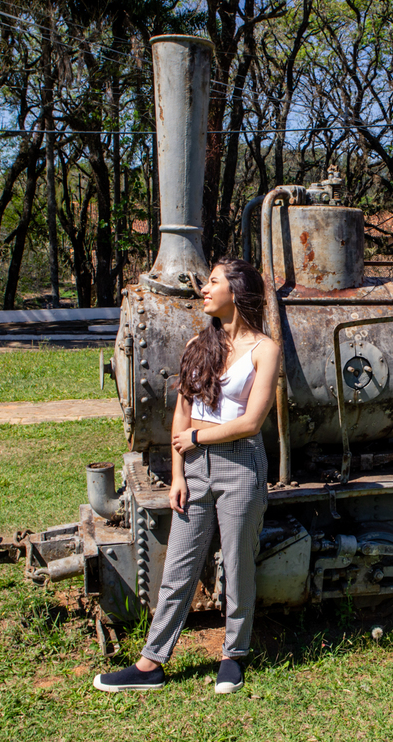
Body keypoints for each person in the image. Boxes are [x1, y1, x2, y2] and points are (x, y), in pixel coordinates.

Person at [94, 257, 280, 694]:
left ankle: (234, 655)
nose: (205, 289)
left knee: (237, 567)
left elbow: (252, 423)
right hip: (194, 468)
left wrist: (197, 436)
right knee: (178, 567)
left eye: (213, 282)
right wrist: (178, 474)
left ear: (236, 291)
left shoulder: (264, 349)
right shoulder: (197, 344)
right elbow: (181, 411)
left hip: (241, 467)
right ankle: (150, 664)